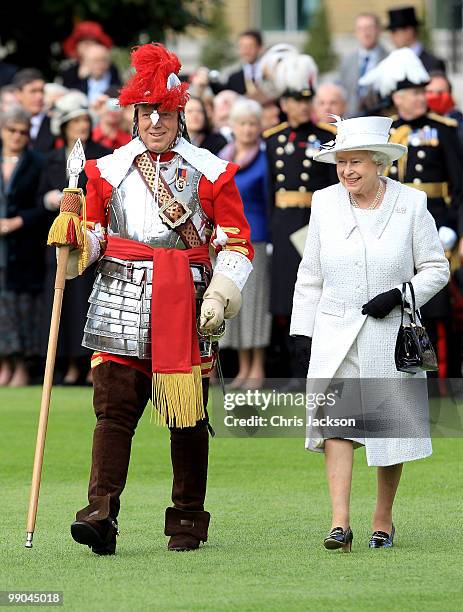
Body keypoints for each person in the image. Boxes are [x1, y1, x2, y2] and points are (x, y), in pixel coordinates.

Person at [65, 43, 253, 555]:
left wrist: (222, 291)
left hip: (188, 304)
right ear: (135, 115)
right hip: (118, 298)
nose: (155, 123)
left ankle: (187, 520)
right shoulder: (106, 170)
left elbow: (236, 243)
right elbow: (99, 235)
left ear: (179, 116)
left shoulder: (212, 171)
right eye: (147, 113)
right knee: (112, 413)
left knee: (188, 419)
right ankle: (100, 514)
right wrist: (78, 241)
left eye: (165, 114)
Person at [291, 115, 449, 550]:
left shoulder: (412, 204)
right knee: (335, 425)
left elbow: (437, 269)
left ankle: (383, 519)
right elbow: (311, 274)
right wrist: (301, 335)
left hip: (388, 334)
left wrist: (400, 294)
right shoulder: (324, 201)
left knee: (390, 431)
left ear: (379, 162)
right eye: (341, 163)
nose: (347, 171)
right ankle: (339, 522)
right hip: (334, 329)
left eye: (356, 162)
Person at [360, 48, 463, 377]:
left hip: (438, 224)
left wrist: (454, 228)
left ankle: (442, 381)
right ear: (397, 97)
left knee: (436, 306)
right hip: (398, 226)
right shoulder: (389, 133)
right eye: (413, 93)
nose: (420, 99)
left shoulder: (442, 129)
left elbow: (458, 186)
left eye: (423, 92)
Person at [264, 52, 337, 383]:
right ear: (284, 102)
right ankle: (290, 370)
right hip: (283, 227)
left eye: (307, 100)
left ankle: (312, 368)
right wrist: (268, 232)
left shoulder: (324, 137)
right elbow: (269, 192)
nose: (303, 106)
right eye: (296, 100)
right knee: (285, 301)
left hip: (313, 224)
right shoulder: (273, 138)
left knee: (315, 298)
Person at [38, 92, 110, 385]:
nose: (81, 125)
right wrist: (49, 199)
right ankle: (67, 364)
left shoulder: (102, 155)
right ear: (64, 125)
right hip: (59, 241)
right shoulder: (52, 158)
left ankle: (91, 363)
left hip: (87, 240)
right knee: (63, 304)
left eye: (84, 119)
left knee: (87, 303)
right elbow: (38, 196)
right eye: (75, 120)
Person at [218, 99, 271, 389]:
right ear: (233, 127)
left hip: (257, 240)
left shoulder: (264, 160)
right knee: (233, 302)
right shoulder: (223, 157)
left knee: (255, 305)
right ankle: (242, 367)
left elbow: (269, 202)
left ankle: (257, 367)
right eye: (242, 123)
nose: (248, 129)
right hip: (227, 242)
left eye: (253, 123)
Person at [0, 108, 45, 386]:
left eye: (22, 131)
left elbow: (43, 205)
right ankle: (4, 364)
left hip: (24, 248)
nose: (17, 136)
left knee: (22, 308)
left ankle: (21, 367)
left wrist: (19, 221)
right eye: (11, 130)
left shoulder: (37, 162)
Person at [336, 13, 388, 118]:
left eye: (369, 28)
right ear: (356, 33)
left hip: (378, 121)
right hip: (350, 121)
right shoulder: (347, 60)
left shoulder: (388, 60)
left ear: (378, 30)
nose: (365, 33)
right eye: (360, 29)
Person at [60, 21, 120, 92]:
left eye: (93, 40)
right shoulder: (69, 71)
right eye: (83, 40)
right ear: (77, 46)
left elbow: (117, 89)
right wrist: (82, 79)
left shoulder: (110, 68)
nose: (88, 44)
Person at [386, 6, 446, 73]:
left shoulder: (433, 63)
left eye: (394, 31)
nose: (391, 36)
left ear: (409, 32)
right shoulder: (391, 61)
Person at [13, 69, 54, 154]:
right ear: (18, 94)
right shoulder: (7, 124)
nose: (40, 96)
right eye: (33, 91)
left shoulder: (54, 125)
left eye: (42, 91)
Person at [425, 71, 463, 147]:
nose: (435, 96)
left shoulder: (457, 121)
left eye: (440, 92)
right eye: (430, 92)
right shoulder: (415, 120)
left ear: (450, 94)